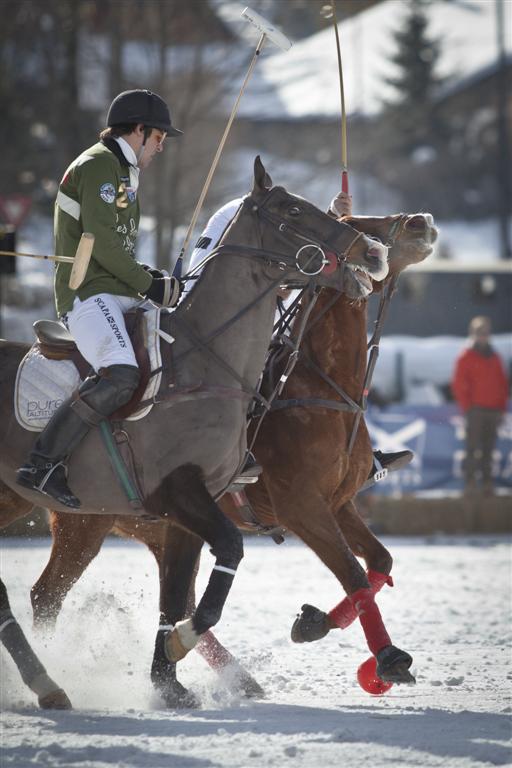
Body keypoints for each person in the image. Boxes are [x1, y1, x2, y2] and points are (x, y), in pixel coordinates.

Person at [17, 89, 183, 509]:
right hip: (86, 296)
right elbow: (104, 248)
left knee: (182, 340)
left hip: (115, 292)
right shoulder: (98, 166)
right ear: (140, 130)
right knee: (122, 373)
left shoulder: (124, 174)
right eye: (160, 137)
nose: (162, 146)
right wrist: (148, 285)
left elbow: (118, 255)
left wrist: (152, 279)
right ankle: (41, 464)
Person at [187, 191, 413, 486]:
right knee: (248, 380)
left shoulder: (260, 221)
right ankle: (231, 454)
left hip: (256, 320)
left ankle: (359, 454)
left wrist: (334, 214)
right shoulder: (238, 220)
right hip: (220, 326)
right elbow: (219, 277)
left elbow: (306, 244)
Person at [452, 315, 509, 496]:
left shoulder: (495, 357)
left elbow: (502, 384)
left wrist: (501, 408)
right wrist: (468, 407)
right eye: (479, 333)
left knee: (488, 450)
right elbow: (459, 384)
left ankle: (487, 484)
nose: (482, 336)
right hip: (475, 410)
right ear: (473, 334)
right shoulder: (466, 357)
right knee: (472, 449)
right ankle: (469, 484)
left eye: (485, 333)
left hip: (493, 411)